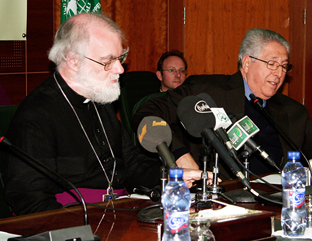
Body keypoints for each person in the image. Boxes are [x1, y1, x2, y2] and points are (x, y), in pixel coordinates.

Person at [2, 13, 209, 216]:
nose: (120, 69)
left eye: (120, 58)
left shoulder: (98, 99)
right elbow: (29, 198)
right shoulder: (37, 115)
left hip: (116, 212)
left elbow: (132, 164)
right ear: (73, 61)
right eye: (108, 61)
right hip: (75, 220)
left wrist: (172, 177)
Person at [133, 28, 312, 180]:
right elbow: (149, 111)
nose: (279, 73)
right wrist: (179, 156)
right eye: (271, 64)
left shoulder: (290, 110)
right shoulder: (208, 90)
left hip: (278, 195)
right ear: (247, 63)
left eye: (284, 66)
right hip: (223, 195)